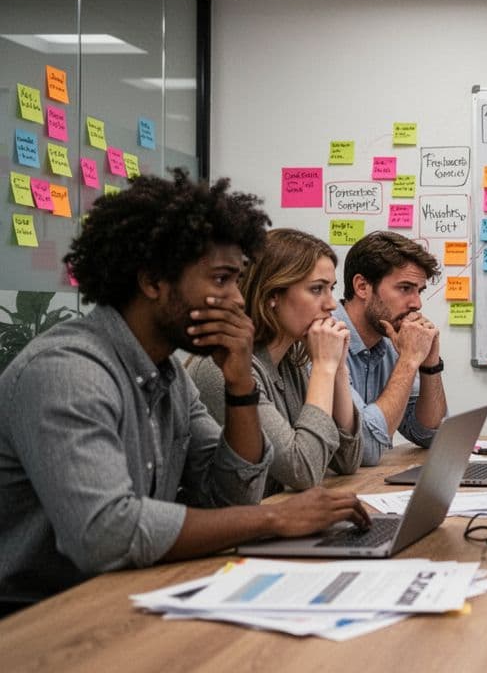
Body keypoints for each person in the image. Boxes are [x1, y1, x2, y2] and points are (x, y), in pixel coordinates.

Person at [0, 172, 369, 613]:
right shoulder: (67, 371)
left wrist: (240, 386)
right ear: (153, 281)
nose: (236, 299)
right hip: (40, 618)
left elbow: (231, 495)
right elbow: (106, 534)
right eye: (221, 280)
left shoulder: (168, 372)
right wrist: (275, 517)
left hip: (127, 595)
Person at [187, 229, 361, 493]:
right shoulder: (225, 367)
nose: (331, 304)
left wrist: (338, 368)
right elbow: (302, 469)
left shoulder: (291, 362)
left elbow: (348, 460)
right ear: (272, 296)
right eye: (317, 289)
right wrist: (324, 367)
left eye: (331, 289)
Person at [334, 231, 448, 465]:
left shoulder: (390, 341)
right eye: (405, 288)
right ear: (362, 286)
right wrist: (408, 361)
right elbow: (365, 449)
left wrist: (430, 365)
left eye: (419, 291)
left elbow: (429, 434)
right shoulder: (326, 339)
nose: (416, 303)